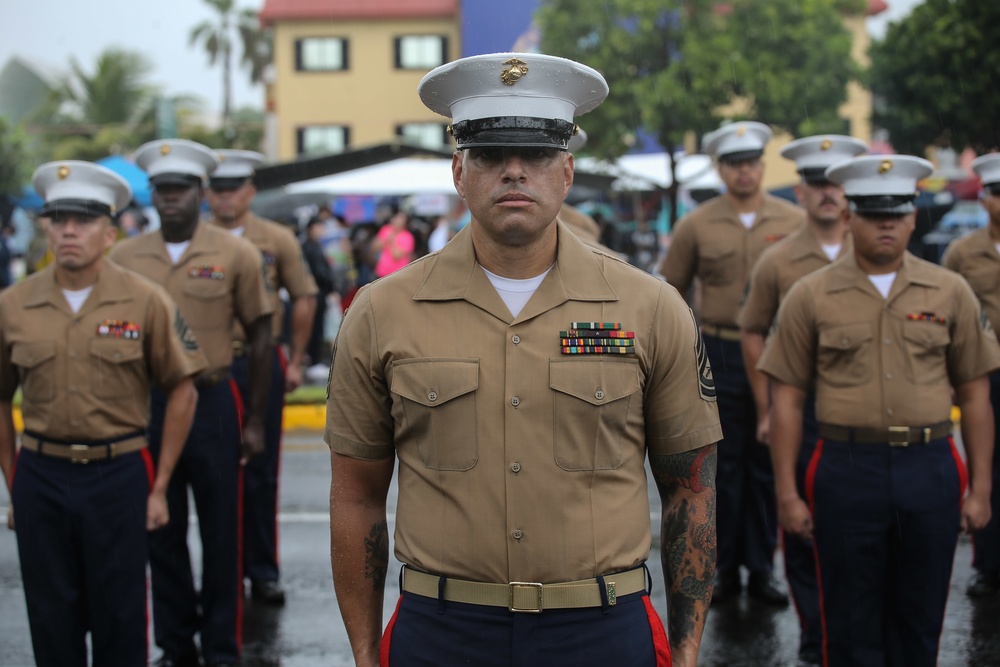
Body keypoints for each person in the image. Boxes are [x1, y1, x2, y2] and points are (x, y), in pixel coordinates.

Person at [326, 52, 722, 667]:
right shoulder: (380, 312)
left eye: (535, 154)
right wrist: (363, 653)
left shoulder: (651, 307)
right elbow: (355, 495)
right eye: (489, 154)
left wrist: (689, 650)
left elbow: (689, 490)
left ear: (566, 172)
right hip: (442, 633)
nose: (514, 171)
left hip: (602, 631)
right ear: (459, 172)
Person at [759, 154, 1000, 667]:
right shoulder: (810, 295)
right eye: (871, 212)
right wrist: (786, 494)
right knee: (848, 623)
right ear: (849, 216)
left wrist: (980, 488)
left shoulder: (950, 290)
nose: (886, 222)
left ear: (914, 216)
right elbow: (788, 399)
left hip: (929, 465)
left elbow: (976, 393)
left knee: (920, 619)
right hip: (847, 470)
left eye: (897, 210)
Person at [0, 160, 206, 666]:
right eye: (59, 218)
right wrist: (14, 480)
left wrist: (160, 488)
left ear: (109, 232)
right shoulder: (13, 305)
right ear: (46, 226)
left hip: (117, 475)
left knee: (121, 619)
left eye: (85, 219)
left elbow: (184, 389)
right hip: (41, 475)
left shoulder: (144, 300)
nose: (70, 230)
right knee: (51, 621)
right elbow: (1, 397)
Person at [110, 139, 274, 667]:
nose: (171, 198)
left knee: (223, 528)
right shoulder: (124, 256)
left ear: (201, 193)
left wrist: (253, 420)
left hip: (214, 403)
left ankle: (222, 645)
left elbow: (261, 335)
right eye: (162, 190)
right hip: (147, 405)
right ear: (151, 196)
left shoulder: (236, 254)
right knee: (160, 528)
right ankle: (176, 643)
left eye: (181, 189)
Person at [659, 121, 805, 605]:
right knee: (720, 467)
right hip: (718, 353)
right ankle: (719, 570)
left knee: (768, 464)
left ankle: (762, 568)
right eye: (734, 164)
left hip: (777, 352)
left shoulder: (791, 218)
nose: (744, 171)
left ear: (763, 166)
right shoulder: (697, 224)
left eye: (751, 162)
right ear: (721, 169)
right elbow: (669, 290)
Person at [738, 134, 866, 665]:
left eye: (838, 182)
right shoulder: (779, 258)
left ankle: (860, 630)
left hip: (864, 411)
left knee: (866, 526)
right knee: (803, 525)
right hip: (804, 408)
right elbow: (753, 331)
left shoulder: (881, 251)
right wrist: (767, 410)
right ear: (802, 191)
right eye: (817, 183)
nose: (828, 192)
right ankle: (817, 634)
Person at [206, 149, 318, 606]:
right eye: (217, 189)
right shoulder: (195, 240)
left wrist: (292, 361)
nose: (225, 197)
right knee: (210, 475)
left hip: (258, 359)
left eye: (233, 189)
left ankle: (262, 570)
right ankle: (222, 576)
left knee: (262, 472)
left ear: (250, 192)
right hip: (206, 364)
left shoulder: (275, 238)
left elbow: (305, 296)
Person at [941, 151, 1000, 598]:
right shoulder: (963, 252)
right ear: (984, 199)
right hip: (986, 372)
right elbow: (944, 318)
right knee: (987, 465)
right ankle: (988, 561)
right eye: (996, 192)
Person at [303, 216, 339, 367]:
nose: (322, 231)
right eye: (319, 227)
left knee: (318, 326)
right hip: (315, 292)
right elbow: (320, 272)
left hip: (318, 292)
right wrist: (331, 286)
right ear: (311, 228)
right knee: (315, 327)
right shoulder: (309, 247)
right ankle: (314, 360)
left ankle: (315, 359)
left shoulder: (315, 245)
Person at [371, 206, 415, 278]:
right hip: (381, 273)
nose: (396, 221)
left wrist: (391, 241)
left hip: (398, 274)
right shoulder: (385, 229)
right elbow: (374, 247)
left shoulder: (408, 237)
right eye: (396, 218)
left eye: (400, 219)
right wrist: (385, 241)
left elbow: (396, 256)